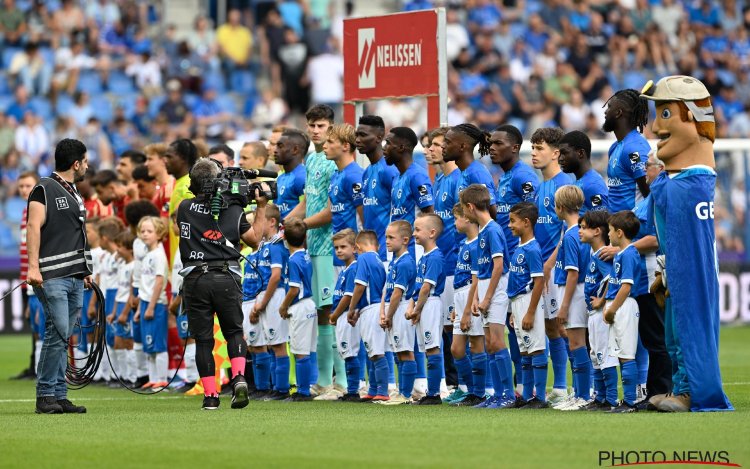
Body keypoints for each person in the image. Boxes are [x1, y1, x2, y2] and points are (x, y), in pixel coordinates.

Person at [641, 76, 732, 412]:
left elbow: (690, 244)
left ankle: (694, 391)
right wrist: (666, 271)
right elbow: (672, 239)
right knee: (674, 330)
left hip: (691, 274)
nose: (654, 126)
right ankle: (681, 387)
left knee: (688, 325)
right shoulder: (674, 183)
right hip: (677, 272)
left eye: (665, 114)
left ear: (694, 117)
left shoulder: (691, 185)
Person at [177, 158, 267, 410]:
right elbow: (255, 239)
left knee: (204, 340)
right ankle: (239, 377)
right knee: (233, 333)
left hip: (195, 280)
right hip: (226, 276)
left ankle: (210, 396)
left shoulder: (184, 208)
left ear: (193, 185)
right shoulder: (233, 210)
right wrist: (260, 205)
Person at [26, 138, 92, 414]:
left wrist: (85, 269)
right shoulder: (43, 188)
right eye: (85, 161)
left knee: (63, 334)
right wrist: (32, 267)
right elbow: (33, 226)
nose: (87, 166)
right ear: (76, 164)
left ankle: (59, 395)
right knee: (59, 331)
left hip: (75, 274)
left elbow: (76, 236)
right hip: (52, 274)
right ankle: (45, 395)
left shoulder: (74, 192)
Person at [287, 105, 337, 394]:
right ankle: (324, 380)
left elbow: (331, 209)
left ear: (331, 126)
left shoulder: (332, 161)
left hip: (331, 244)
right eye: (312, 126)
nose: (316, 131)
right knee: (321, 311)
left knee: (332, 311)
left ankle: (341, 382)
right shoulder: (313, 159)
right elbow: (308, 201)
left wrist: (301, 225)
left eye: (321, 126)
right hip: (314, 245)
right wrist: (285, 224)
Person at [488, 123, 539, 394]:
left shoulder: (523, 177)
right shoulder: (505, 177)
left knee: (527, 329)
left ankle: (536, 388)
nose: (491, 148)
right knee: (512, 329)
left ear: (515, 147)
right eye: (490, 143)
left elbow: (535, 219)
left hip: (521, 267)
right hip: (508, 264)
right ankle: (521, 387)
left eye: (498, 144)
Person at [460, 184, 514, 409]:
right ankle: (497, 393)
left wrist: (487, 298)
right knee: (489, 344)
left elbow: (499, 266)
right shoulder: (482, 231)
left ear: (471, 207)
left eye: (463, 208)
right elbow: (481, 269)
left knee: (497, 341)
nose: (463, 213)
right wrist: (475, 299)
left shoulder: (493, 230)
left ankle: (509, 395)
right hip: (484, 291)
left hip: (497, 291)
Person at [530, 127, 572, 405]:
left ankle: (570, 386)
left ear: (556, 153)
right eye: (532, 148)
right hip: (542, 268)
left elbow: (569, 229)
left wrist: (551, 262)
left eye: (540, 148)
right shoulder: (539, 188)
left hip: (557, 269)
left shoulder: (564, 185)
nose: (533, 154)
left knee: (563, 326)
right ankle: (557, 387)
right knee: (548, 326)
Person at [630, 153, 672, 409]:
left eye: (648, 165)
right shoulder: (649, 198)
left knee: (657, 339)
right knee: (651, 339)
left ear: (662, 168)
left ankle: (663, 392)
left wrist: (623, 249)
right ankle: (655, 393)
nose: (644, 169)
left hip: (650, 277)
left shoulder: (658, 198)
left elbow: (656, 239)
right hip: (640, 278)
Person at [551, 186, 592, 411]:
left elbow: (572, 273)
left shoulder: (571, 234)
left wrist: (564, 307)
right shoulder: (581, 231)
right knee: (580, 344)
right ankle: (580, 392)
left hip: (574, 293)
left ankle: (583, 395)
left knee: (576, 344)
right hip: (579, 291)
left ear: (561, 207)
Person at [426, 127, 461, 388]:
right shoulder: (438, 181)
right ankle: (452, 383)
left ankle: (464, 384)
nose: (431, 149)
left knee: (457, 327)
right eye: (429, 145)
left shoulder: (459, 179)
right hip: (443, 263)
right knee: (447, 327)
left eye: (436, 144)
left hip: (457, 262)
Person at [506, 202, 548, 409]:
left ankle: (540, 397)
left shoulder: (532, 249)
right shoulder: (520, 247)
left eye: (513, 221)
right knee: (524, 351)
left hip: (528, 300)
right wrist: (514, 311)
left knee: (536, 348)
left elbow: (539, 281)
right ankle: (527, 395)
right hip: (517, 302)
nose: (509, 225)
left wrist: (530, 312)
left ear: (526, 222)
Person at [304, 123, 364, 265]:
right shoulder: (336, 175)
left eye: (330, 142)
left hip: (353, 254)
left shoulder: (354, 176)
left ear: (345, 146)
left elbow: (364, 218)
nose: (325, 146)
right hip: (338, 252)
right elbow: (331, 210)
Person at [603, 211, 643, 413]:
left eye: (610, 231)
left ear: (619, 232)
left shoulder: (629, 253)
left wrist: (611, 309)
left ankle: (630, 402)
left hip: (625, 305)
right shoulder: (621, 253)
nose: (607, 235)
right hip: (618, 305)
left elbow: (626, 286)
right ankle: (626, 400)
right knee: (620, 354)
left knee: (627, 354)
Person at [447, 204, 486, 407]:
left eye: (457, 218)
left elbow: (475, 279)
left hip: (472, 298)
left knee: (477, 344)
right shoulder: (464, 243)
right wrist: (456, 306)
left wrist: (468, 308)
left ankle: (480, 392)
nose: (454, 222)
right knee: (457, 348)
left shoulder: (477, 244)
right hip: (460, 296)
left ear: (469, 219)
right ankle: (470, 389)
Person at [578, 210, 617, 411]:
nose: (580, 231)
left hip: (602, 314)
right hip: (592, 313)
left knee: (604, 354)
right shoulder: (594, 253)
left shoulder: (603, 254)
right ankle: (600, 397)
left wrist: (602, 300)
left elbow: (612, 278)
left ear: (597, 231)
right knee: (595, 354)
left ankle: (610, 399)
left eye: (584, 228)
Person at [406, 214, 446, 406]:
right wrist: (414, 306)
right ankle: (431, 392)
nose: (414, 234)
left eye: (417, 230)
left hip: (430, 304)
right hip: (424, 305)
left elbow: (425, 288)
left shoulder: (436, 256)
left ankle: (435, 393)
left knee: (432, 347)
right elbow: (418, 288)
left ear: (432, 233)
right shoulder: (424, 257)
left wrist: (417, 309)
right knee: (426, 348)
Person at [252, 205, 290, 401]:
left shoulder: (277, 245)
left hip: (275, 296)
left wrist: (263, 302)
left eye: (260, 220)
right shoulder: (264, 245)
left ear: (272, 222)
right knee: (270, 343)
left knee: (278, 344)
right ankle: (274, 387)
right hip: (266, 295)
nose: (256, 225)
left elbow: (275, 277)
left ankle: (282, 390)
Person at [278, 218, 317, 401]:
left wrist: (284, 305)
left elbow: (294, 288)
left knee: (300, 350)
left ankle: (303, 392)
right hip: (310, 303)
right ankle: (310, 385)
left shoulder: (293, 260)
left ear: (284, 237)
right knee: (308, 349)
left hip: (300, 305)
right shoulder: (306, 255)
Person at [346, 231, 387, 402]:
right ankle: (372, 389)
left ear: (358, 247)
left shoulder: (363, 259)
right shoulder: (379, 260)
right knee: (372, 352)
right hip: (375, 307)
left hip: (371, 309)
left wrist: (351, 308)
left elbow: (360, 286)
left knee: (376, 352)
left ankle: (383, 391)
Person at [124, 200, 161, 388]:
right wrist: (133, 292)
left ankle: (156, 375)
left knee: (152, 334)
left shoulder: (156, 248)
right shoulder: (138, 243)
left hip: (149, 290)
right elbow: (136, 271)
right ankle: (142, 374)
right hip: (138, 288)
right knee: (137, 333)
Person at [380, 221, 417, 406]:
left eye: (391, 237)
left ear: (405, 240)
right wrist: (383, 311)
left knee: (405, 351)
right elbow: (387, 290)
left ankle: (405, 394)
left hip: (401, 309)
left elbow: (397, 293)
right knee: (398, 353)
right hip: (393, 309)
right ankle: (401, 392)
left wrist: (389, 315)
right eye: (386, 237)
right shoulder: (395, 261)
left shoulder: (405, 263)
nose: (386, 241)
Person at [385, 126, 434, 258]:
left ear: (401, 147)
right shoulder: (397, 177)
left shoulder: (417, 176)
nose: (384, 148)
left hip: (413, 253)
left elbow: (430, 215)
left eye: (388, 143)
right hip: (397, 253)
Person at [356, 115, 399, 264]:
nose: (357, 140)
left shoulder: (390, 170)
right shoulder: (367, 172)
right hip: (371, 253)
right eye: (357, 135)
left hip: (387, 254)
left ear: (379, 137)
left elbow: (401, 210)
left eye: (363, 135)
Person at [134, 216, 169, 391]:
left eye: (149, 231)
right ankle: (153, 377)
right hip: (146, 303)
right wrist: (141, 307)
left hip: (156, 304)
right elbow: (144, 284)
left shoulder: (158, 255)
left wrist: (151, 306)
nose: (145, 234)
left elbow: (158, 282)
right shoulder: (148, 255)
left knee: (158, 343)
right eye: (143, 231)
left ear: (159, 233)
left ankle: (162, 379)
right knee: (149, 344)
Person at [602, 89, 651, 212]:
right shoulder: (615, 147)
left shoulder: (634, 149)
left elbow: (650, 194)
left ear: (618, 113)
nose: (605, 112)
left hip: (633, 228)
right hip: (615, 228)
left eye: (609, 107)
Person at [12, 171, 40, 381]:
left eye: (27, 185)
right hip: (25, 278)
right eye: (21, 186)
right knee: (34, 323)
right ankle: (33, 364)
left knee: (42, 322)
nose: (23, 190)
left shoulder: (37, 210)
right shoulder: (25, 211)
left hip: (36, 276)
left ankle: (39, 366)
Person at [328, 229, 360, 401]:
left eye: (343, 247)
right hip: (340, 317)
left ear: (354, 248)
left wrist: (334, 315)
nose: (339, 250)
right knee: (346, 353)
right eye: (336, 247)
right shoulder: (344, 270)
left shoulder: (353, 268)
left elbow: (348, 296)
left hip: (347, 316)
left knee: (350, 352)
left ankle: (354, 390)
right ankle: (351, 388)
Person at [558, 130, 609, 214]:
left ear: (580, 153)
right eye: (560, 154)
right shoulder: (580, 182)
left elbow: (602, 223)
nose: (560, 159)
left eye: (564, 153)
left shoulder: (592, 185)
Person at [164, 139, 198, 265]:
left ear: (183, 158)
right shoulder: (179, 183)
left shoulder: (188, 185)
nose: (165, 160)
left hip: (185, 260)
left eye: (169, 156)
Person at [112, 231, 136, 385]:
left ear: (129, 249)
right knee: (118, 342)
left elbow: (131, 293)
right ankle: (123, 376)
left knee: (128, 343)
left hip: (126, 308)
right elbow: (119, 291)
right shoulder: (122, 265)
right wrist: (114, 312)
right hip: (119, 305)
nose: (117, 250)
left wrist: (125, 312)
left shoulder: (134, 266)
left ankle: (133, 377)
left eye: (120, 247)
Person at [273, 129, 307, 219]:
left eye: (280, 146)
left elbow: (306, 209)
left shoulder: (302, 177)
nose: (275, 150)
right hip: (280, 232)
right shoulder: (280, 177)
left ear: (295, 150)